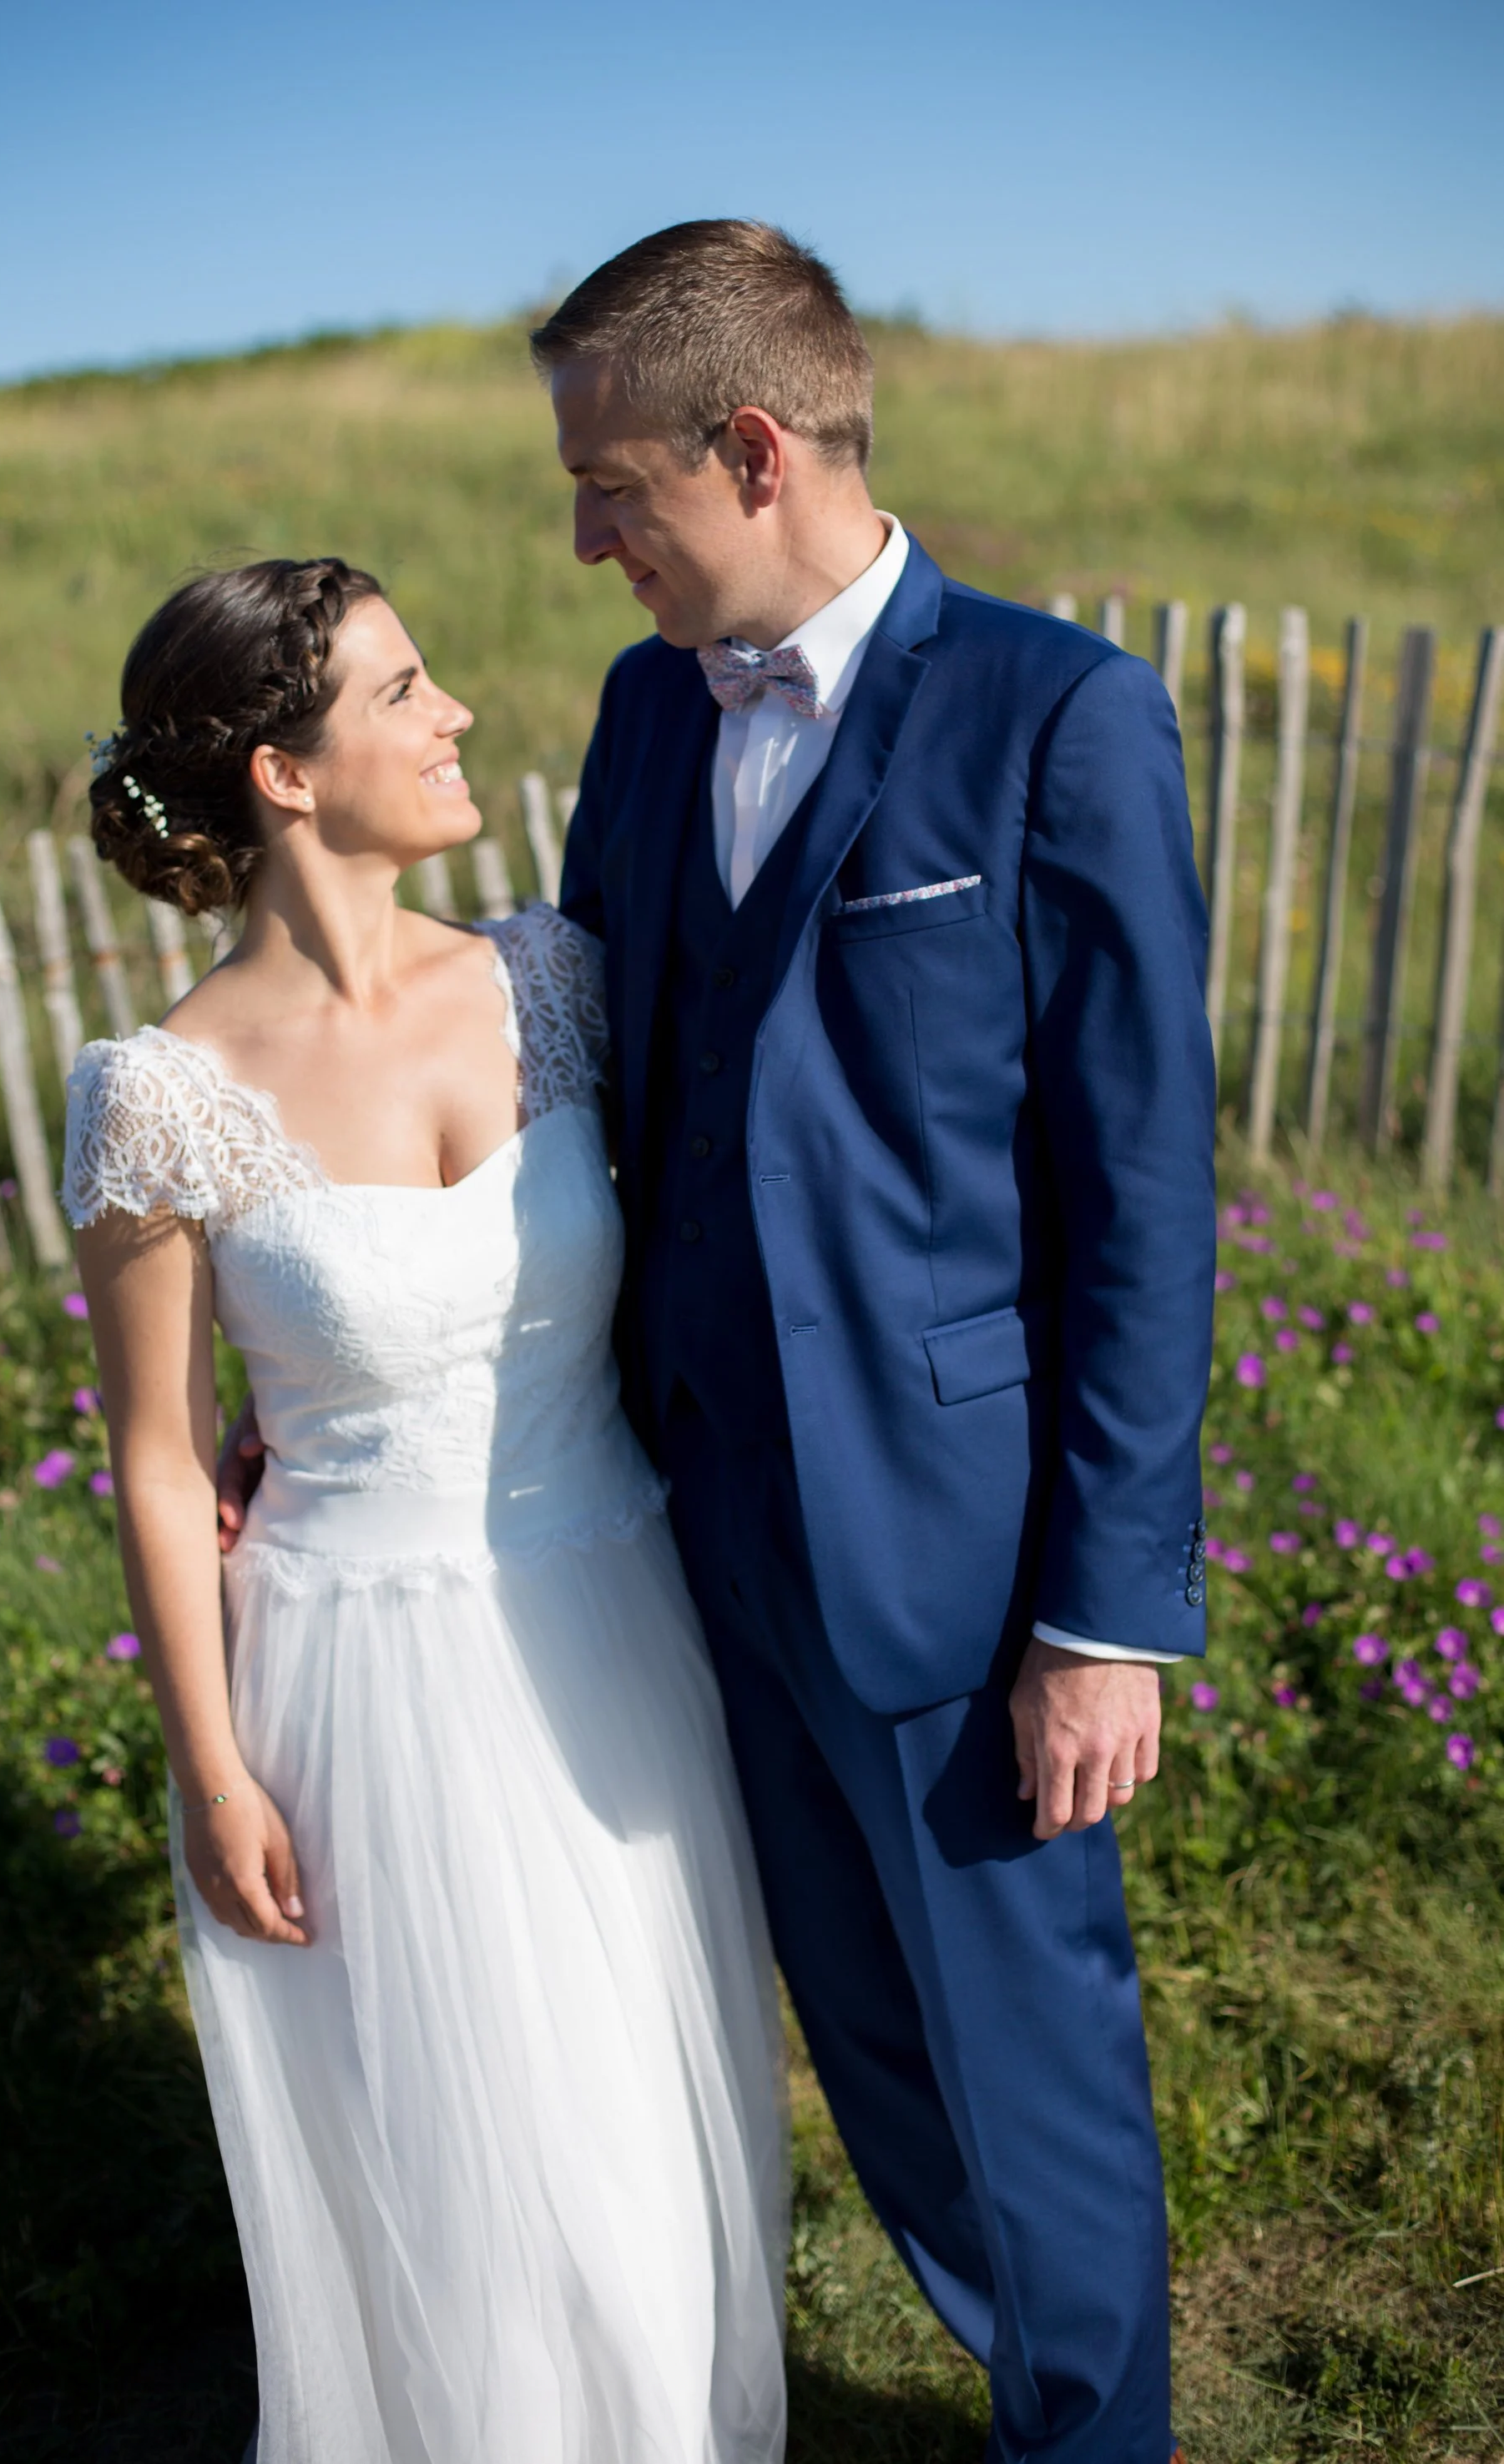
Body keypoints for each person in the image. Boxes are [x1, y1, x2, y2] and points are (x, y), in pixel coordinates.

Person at [532, 221, 1216, 2463]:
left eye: (610, 485)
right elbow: (583, 1078)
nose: (584, 536)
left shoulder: (1056, 714)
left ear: (748, 448)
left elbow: (1140, 1197)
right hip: (701, 1525)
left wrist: (1104, 1615)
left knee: (1032, 2081)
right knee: (876, 2057)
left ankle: (1090, 2432)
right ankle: (1024, 2388)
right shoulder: (644, 716)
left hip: (957, 1563)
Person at [65, 557, 788, 2464]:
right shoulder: (155, 1097)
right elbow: (155, 1451)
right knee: (473, 2176)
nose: (455, 711)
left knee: (639, 2139)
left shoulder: (553, 973)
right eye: (404, 690)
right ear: (288, 775)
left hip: (616, 1617)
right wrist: (212, 1772)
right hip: (360, 1687)